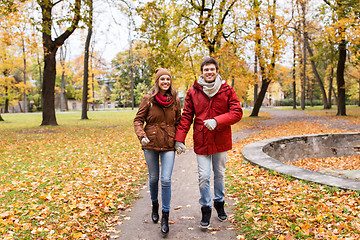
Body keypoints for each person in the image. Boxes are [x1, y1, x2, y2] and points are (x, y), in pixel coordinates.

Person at [174, 57, 242, 228]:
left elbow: (236, 112)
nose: (209, 72)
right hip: (202, 140)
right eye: (206, 70)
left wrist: (217, 121)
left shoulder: (227, 90)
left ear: (217, 71)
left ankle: (219, 203)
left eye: (212, 69)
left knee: (219, 174)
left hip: (220, 139)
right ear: (202, 72)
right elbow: (187, 116)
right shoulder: (193, 92)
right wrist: (179, 139)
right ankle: (206, 207)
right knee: (204, 176)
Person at [134, 68, 181, 235]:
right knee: (154, 178)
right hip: (151, 143)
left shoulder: (175, 100)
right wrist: (142, 136)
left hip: (168, 144)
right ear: (157, 81)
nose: (165, 82)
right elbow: (138, 120)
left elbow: (179, 123)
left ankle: (165, 216)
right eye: (162, 79)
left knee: (166, 180)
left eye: (168, 79)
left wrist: (179, 140)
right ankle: (155, 205)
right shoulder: (148, 99)